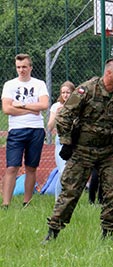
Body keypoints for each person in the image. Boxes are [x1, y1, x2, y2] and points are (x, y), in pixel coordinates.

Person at [43, 58, 113, 242]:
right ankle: (52, 233)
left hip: (109, 152)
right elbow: (64, 116)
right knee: (70, 192)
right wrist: (67, 142)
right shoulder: (86, 90)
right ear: (109, 73)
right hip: (82, 151)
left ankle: (108, 235)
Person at [1, 53, 49, 208]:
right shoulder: (9, 85)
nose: (21, 70)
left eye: (24, 67)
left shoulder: (39, 84)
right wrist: (30, 109)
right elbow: (7, 108)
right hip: (16, 130)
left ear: (30, 67)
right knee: (12, 167)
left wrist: (20, 105)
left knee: (31, 167)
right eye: (18, 67)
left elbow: (43, 105)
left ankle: (26, 202)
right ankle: (6, 203)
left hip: (36, 129)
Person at [47, 81, 75, 201]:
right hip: (61, 140)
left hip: (75, 140)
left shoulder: (77, 105)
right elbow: (50, 126)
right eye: (63, 92)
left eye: (68, 92)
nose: (65, 95)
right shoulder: (56, 106)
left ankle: (71, 198)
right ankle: (58, 199)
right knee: (63, 171)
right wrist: (57, 114)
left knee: (74, 172)